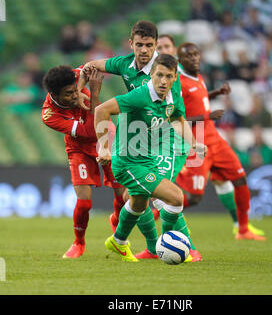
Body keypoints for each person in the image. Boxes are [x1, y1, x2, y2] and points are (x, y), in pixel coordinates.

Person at [80, 21, 202, 261]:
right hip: (129, 156)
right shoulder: (139, 90)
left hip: (150, 149)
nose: (144, 50)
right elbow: (101, 107)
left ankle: (118, 241)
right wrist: (103, 147)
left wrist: (194, 143)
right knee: (174, 197)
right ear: (131, 44)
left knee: (136, 200)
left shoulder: (168, 92)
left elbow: (178, 117)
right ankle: (169, 245)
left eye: (149, 45)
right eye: (139, 45)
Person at [156, 34, 264, 236]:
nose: (195, 58)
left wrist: (215, 93)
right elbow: (176, 119)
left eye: (197, 55)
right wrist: (208, 115)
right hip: (196, 144)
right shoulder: (177, 82)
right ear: (181, 59)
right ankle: (152, 212)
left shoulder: (197, 76)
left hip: (215, 139)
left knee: (239, 179)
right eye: (190, 56)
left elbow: (199, 98)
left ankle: (243, 228)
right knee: (195, 198)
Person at [41, 65, 124, 258]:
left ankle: (116, 225)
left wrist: (81, 86)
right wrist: (94, 94)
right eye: (69, 94)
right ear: (54, 94)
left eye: (74, 90)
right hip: (79, 147)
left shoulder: (74, 78)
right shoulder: (50, 115)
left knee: (122, 196)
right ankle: (79, 242)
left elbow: (88, 68)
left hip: (107, 138)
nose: (73, 95)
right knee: (85, 202)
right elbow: (89, 131)